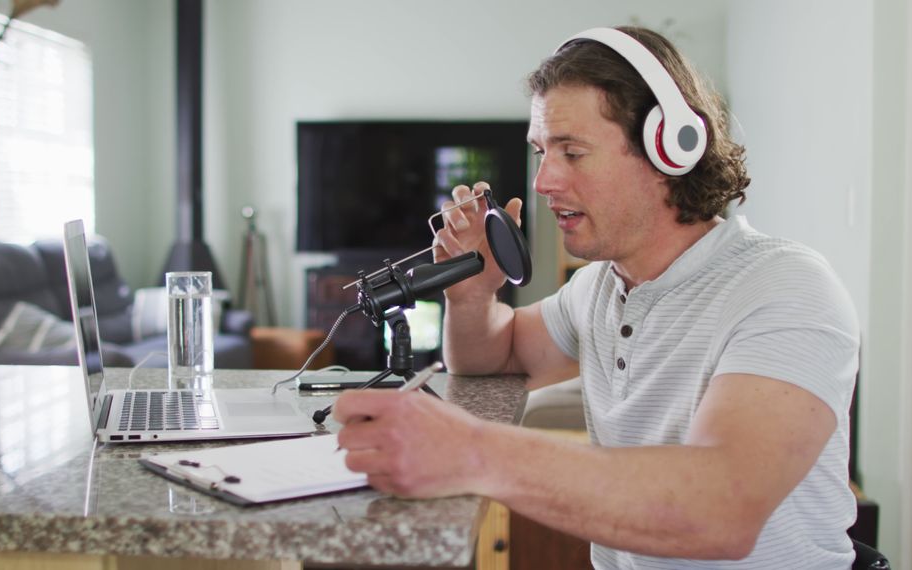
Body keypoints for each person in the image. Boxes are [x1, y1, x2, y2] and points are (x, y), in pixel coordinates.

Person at [333, 25, 860, 568]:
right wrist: (471, 297)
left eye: (573, 152)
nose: (543, 182)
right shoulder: (601, 286)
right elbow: (498, 357)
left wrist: (471, 450)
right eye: (542, 151)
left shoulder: (784, 288)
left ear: (669, 149)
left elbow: (720, 509)